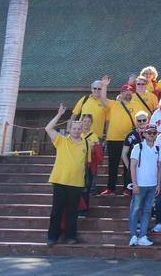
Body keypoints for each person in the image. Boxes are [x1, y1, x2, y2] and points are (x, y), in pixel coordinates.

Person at [44, 104, 89, 246]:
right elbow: (48, 128)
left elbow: (86, 164)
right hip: (60, 181)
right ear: (69, 129)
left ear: (82, 130)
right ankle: (52, 237)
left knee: (72, 212)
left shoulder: (86, 144)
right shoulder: (61, 141)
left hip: (76, 183)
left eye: (79, 129)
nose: (76, 131)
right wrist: (59, 115)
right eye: (74, 128)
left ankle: (70, 236)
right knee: (56, 211)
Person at [102, 84, 138, 195]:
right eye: (125, 91)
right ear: (121, 93)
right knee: (113, 164)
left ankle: (127, 188)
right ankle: (111, 188)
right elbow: (103, 99)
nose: (128, 93)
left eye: (130, 91)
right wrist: (104, 85)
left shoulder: (137, 105)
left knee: (128, 165)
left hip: (130, 140)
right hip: (114, 138)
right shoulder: (114, 104)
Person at [128, 123, 161, 246]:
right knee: (135, 210)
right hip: (140, 185)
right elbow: (132, 165)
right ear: (144, 134)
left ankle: (142, 236)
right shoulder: (138, 147)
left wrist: (158, 184)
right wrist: (134, 184)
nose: (151, 135)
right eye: (149, 132)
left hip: (152, 185)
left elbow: (159, 167)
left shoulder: (158, 148)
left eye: (154, 133)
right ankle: (133, 235)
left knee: (147, 211)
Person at [119, 111, 150, 196]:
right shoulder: (131, 135)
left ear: (148, 120)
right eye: (139, 121)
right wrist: (129, 167)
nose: (142, 122)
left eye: (144, 120)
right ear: (136, 121)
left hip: (148, 170)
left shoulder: (152, 134)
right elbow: (124, 154)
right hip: (134, 170)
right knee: (135, 196)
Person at [72, 77, 110, 144]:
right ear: (91, 89)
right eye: (95, 88)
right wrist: (69, 130)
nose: (97, 90)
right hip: (80, 135)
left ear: (102, 90)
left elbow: (107, 122)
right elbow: (74, 115)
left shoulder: (106, 103)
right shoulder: (84, 99)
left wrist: (107, 136)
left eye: (99, 89)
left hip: (96, 137)